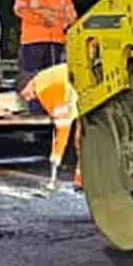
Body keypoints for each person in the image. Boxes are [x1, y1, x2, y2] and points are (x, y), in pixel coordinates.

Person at [14, 0, 76, 99]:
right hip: (56, 41)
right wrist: (59, 24)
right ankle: (50, 105)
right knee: (52, 76)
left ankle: (34, 106)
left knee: (31, 74)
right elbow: (72, 17)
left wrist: (41, 21)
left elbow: (20, 9)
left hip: (32, 39)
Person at [19, 62, 80, 190]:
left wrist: (57, 154)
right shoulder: (43, 80)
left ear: (28, 83)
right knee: (81, 139)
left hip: (82, 94)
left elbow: (63, 126)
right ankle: (81, 180)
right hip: (82, 91)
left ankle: (81, 181)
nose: (28, 99)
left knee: (82, 141)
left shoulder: (45, 90)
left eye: (26, 94)